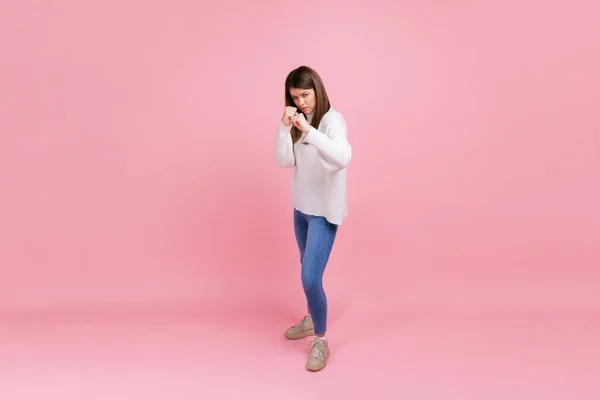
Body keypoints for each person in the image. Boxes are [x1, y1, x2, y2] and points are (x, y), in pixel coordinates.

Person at [274, 65, 352, 372]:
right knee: (306, 271)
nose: (302, 102)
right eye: (296, 97)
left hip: (323, 213)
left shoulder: (333, 121)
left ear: (317, 89)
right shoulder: (297, 121)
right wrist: (284, 127)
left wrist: (310, 131)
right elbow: (283, 161)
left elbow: (342, 158)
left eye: (306, 94)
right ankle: (311, 318)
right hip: (301, 210)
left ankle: (320, 339)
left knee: (310, 277)